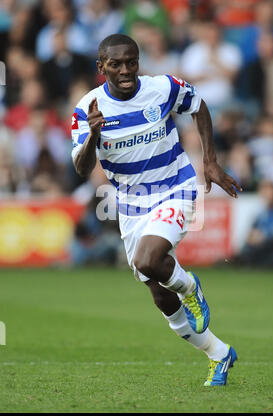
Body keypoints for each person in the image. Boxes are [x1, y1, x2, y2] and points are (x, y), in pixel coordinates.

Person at [71, 34, 242, 386]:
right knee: (160, 296)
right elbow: (81, 168)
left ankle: (191, 287)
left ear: (138, 61)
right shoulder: (86, 109)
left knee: (149, 260)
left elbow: (199, 105)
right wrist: (92, 136)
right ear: (100, 67)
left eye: (131, 62)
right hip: (131, 205)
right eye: (115, 64)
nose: (125, 70)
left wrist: (210, 161)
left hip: (174, 187)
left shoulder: (162, 88)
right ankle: (219, 354)